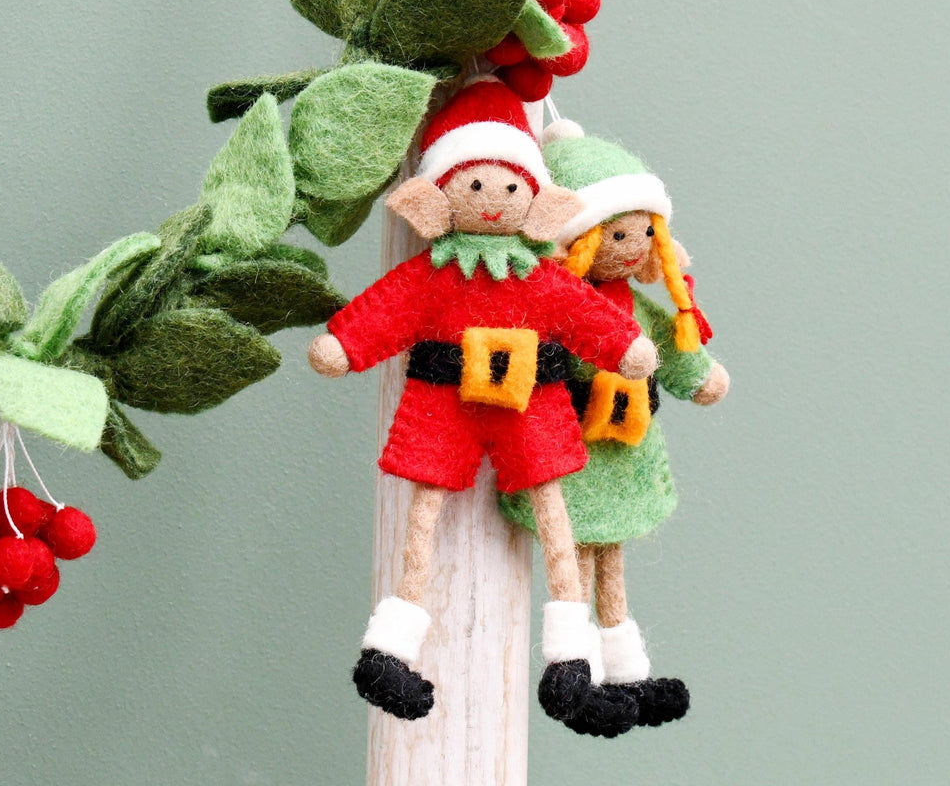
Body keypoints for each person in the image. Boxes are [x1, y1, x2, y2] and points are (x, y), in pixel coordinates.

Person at [308, 79, 657, 727]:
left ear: (536, 198)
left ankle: (568, 664)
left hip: (532, 406)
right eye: (473, 186)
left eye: (509, 188)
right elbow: (387, 311)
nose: (493, 202)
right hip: (446, 403)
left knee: (554, 514)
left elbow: (586, 317)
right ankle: (388, 651)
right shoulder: (434, 275)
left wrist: (626, 347)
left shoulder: (540, 278)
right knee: (425, 515)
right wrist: (344, 345)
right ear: (437, 196)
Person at [500, 120, 729, 737]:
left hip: (625, 450)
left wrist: (700, 377)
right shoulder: (559, 306)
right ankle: (570, 672)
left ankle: (626, 672)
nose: (632, 247)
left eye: (644, 233)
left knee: (612, 558)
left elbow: (677, 353)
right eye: (617, 234)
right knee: (571, 555)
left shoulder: (640, 309)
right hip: (571, 447)